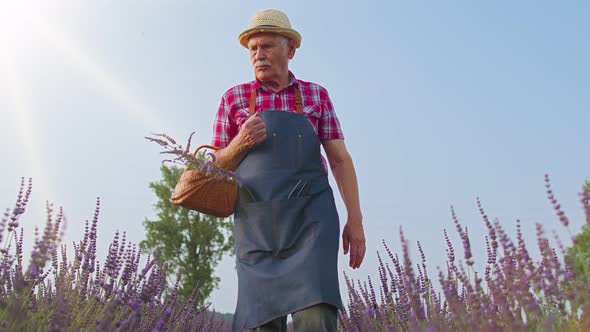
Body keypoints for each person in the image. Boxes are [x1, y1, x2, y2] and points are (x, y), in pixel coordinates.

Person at [211, 9, 365, 332]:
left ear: (290, 50)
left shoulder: (316, 96)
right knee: (260, 321)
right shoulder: (233, 99)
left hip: (311, 221)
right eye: (253, 48)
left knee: (316, 315)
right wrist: (239, 144)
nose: (258, 55)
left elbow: (339, 159)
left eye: (266, 46)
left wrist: (356, 219)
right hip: (257, 228)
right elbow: (214, 167)